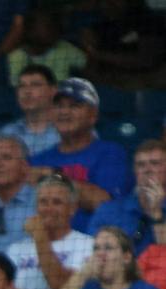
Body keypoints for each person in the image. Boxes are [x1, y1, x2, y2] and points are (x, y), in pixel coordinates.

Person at [30, 78, 128, 219]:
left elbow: (105, 204)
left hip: (94, 239)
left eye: (74, 106)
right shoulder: (38, 160)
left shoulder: (110, 153)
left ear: (93, 115)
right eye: (59, 106)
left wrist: (54, 176)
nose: (64, 112)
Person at [91, 140, 166, 253]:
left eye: (155, 163)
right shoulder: (108, 211)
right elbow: (93, 254)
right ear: (134, 171)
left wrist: (156, 215)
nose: (147, 170)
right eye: (141, 165)